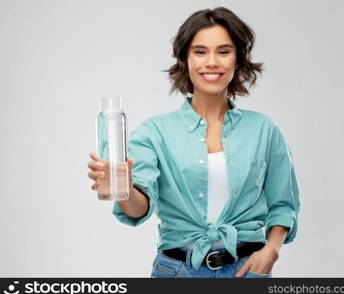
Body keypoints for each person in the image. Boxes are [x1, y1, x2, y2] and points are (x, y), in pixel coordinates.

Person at [87, 6, 300, 278]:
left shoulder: (264, 130)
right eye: (200, 52)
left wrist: (272, 250)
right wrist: (125, 189)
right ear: (185, 59)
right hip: (177, 272)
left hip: (247, 271)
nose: (212, 62)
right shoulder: (155, 133)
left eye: (223, 51)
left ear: (238, 59)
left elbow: (284, 204)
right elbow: (139, 208)